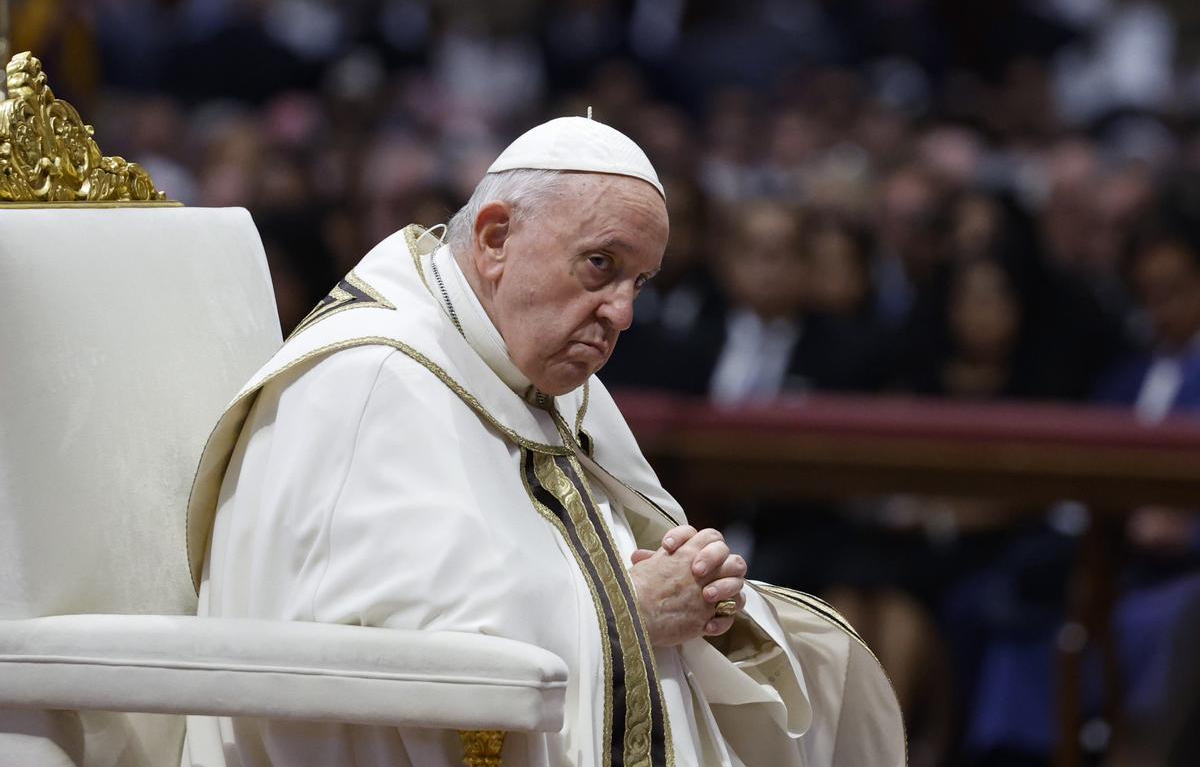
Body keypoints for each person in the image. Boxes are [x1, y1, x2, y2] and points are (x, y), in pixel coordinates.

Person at [182, 116, 904, 766]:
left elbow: (587, 556)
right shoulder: (370, 379)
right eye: (601, 265)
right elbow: (394, 643)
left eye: (640, 282)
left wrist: (695, 586)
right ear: (496, 238)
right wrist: (628, 607)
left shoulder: (530, 365)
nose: (622, 313)